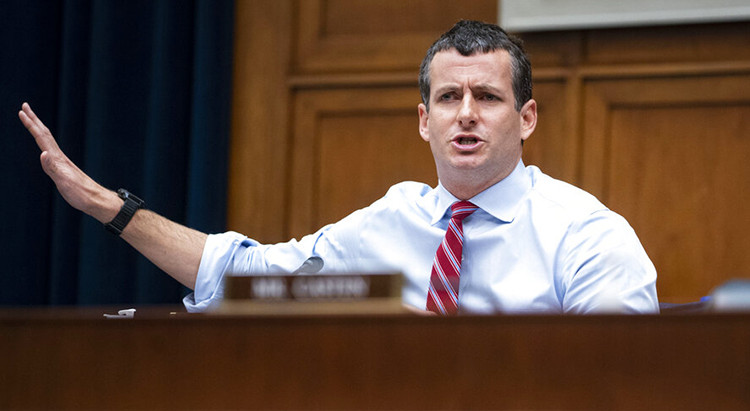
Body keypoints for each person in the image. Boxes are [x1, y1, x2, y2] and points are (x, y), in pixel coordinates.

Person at [19, 20, 658, 314]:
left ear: (526, 119)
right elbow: (244, 277)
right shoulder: (387, 222)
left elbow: (615, 387)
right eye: (448, 98)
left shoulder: (587, 236)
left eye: (487, 97)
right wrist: (111, 207)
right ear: (422, 120)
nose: (466, 115)